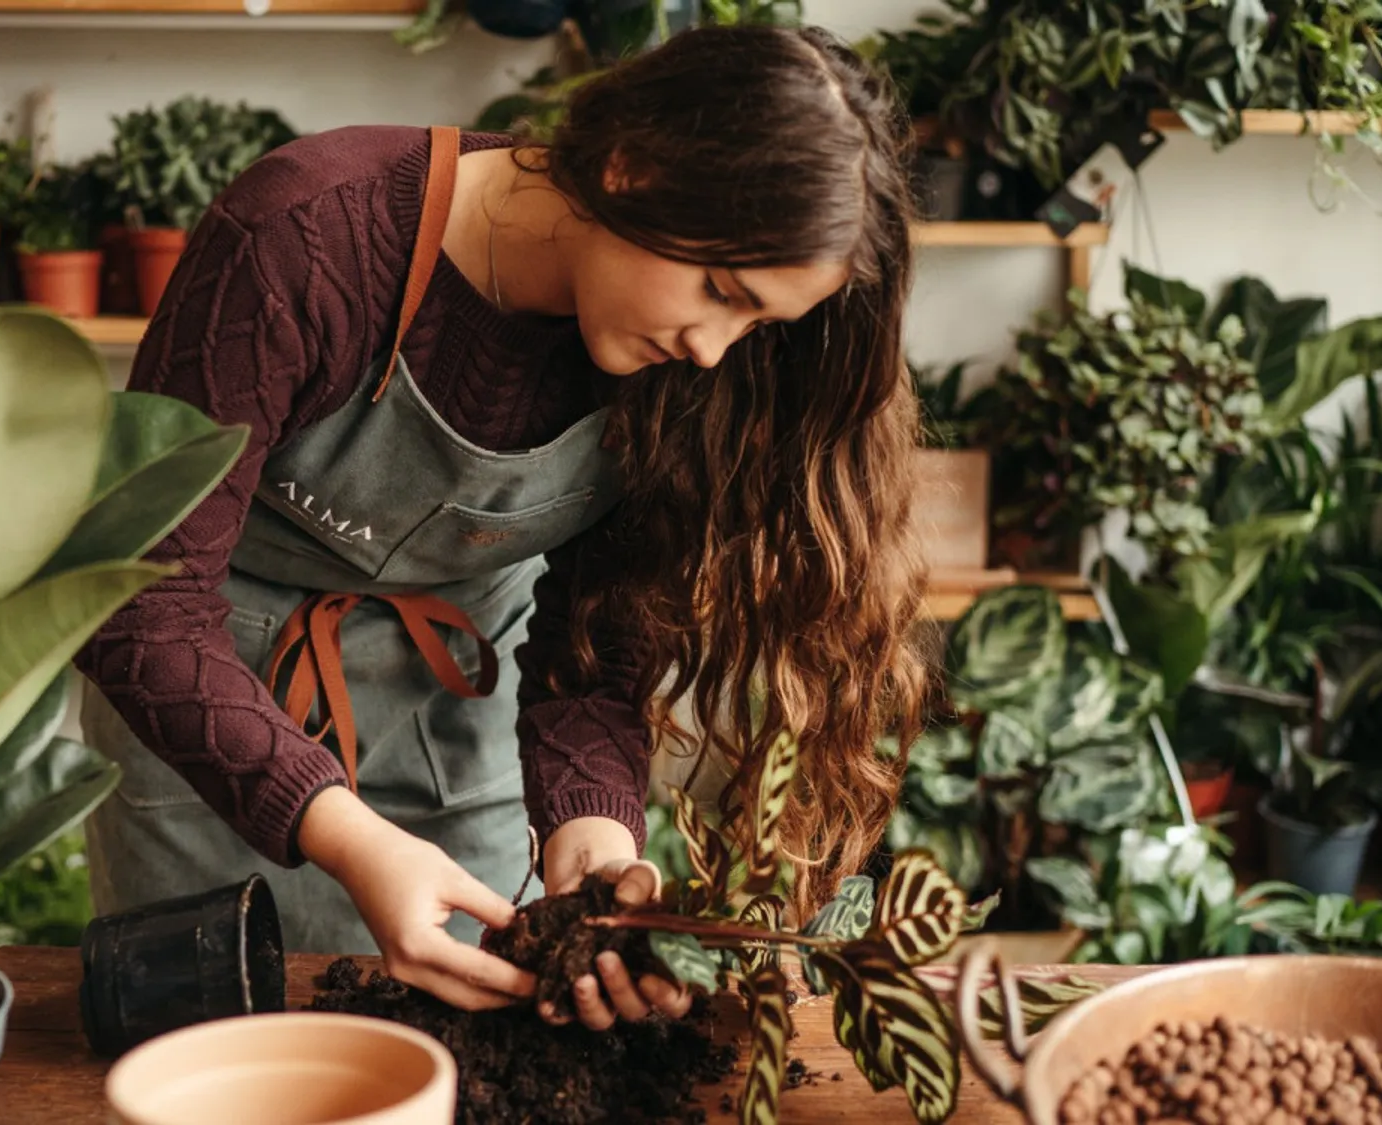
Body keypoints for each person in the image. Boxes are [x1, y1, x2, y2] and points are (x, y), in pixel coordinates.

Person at [76, 21, 928, 1033]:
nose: (713, 349)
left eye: (755, 324)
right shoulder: (306, 239)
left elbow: (594, 646)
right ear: (630, 167)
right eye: (720, 292)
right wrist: (346, 833)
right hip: (204, 712)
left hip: (453, 715)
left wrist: (596, 837)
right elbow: (136, 600)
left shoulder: (679, 378)